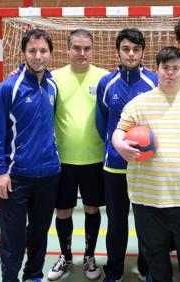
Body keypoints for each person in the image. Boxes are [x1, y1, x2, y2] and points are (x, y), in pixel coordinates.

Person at [112, 46, 180, 282]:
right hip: (146, 198)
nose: (170, 73)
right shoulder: (139, 104)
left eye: (175, 68)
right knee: (155, 256)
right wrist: (120, 145)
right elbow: (119, 131)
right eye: (165, 68)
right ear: (156, 69)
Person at [0, 29, 60, 282]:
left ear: (50, 53)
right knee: (13, 238)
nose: (38, 56)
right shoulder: (9, 88)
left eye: (43, 51)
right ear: (23, 53)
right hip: (16, 178)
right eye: (32, 51)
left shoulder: (52, 87)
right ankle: (9, 278)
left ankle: (34, 276)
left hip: (49, 175)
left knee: (39, 234)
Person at [46, 29, 109, 281]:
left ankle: (89, 256)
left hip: (95, 160)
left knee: (93, 209)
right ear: (68, 48)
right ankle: (65, 256)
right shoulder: (54, 78)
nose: (82, 53)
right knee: (63, 211)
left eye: (87, 48)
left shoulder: (103, 78)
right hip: (62, 161)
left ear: (92, 49)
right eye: (77, 48)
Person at [95, 28, 157, 282]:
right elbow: (102, 123)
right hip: (115, 167)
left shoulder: (153, 81)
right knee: (116, 222)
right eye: (126, 49)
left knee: (147, 223)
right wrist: (115, 147)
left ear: (143, 52)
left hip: (146, 168)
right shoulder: (106, 83)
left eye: (136, 50)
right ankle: (114, 270)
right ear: (118, 51)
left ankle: (146, 266)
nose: (131, 54)